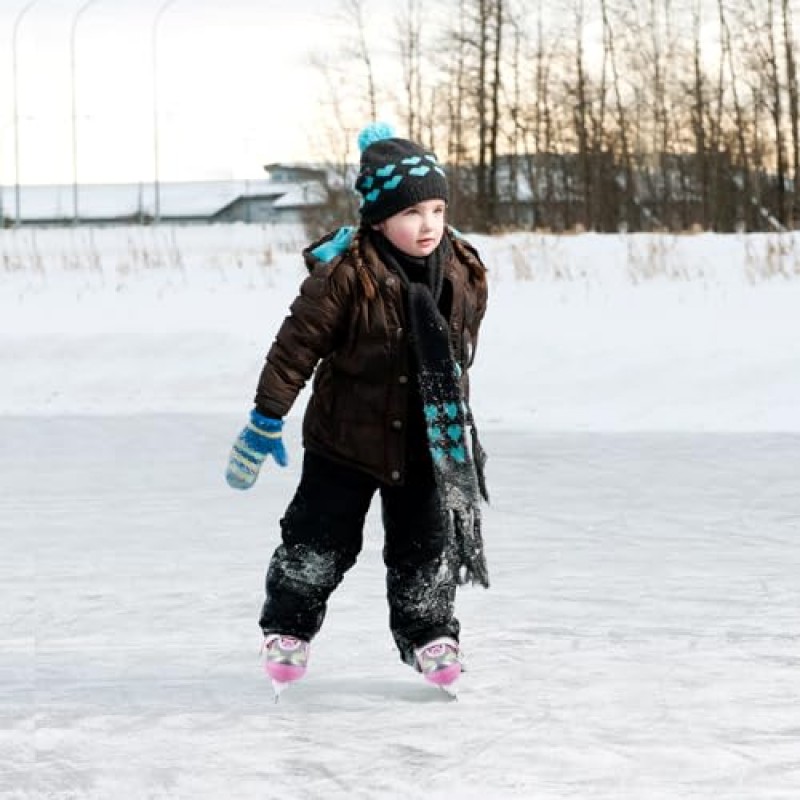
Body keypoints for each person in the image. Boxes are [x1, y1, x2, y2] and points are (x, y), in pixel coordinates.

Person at [225, 122, 490, 697]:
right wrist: (265, 418)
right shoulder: (346, 275)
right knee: (316, 543)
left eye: (437, 209)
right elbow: (294, 348)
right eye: (411, 212)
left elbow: (459, 353)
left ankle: (430, 635)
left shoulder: (463, 269)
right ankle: (288, 629)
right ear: (378, 219)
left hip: (425, 445)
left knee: (426, 549)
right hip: (345, 443)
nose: (427, 225)